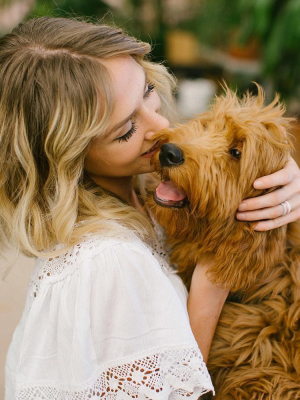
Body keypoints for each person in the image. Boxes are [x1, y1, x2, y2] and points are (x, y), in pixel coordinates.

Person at [1, 17, 300, 400]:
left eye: (148, 90)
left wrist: (275, 172)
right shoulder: (107, 264)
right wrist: (211, 285)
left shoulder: (141, 189)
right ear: (68, 157)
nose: (161, 128)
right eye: (126, 130)